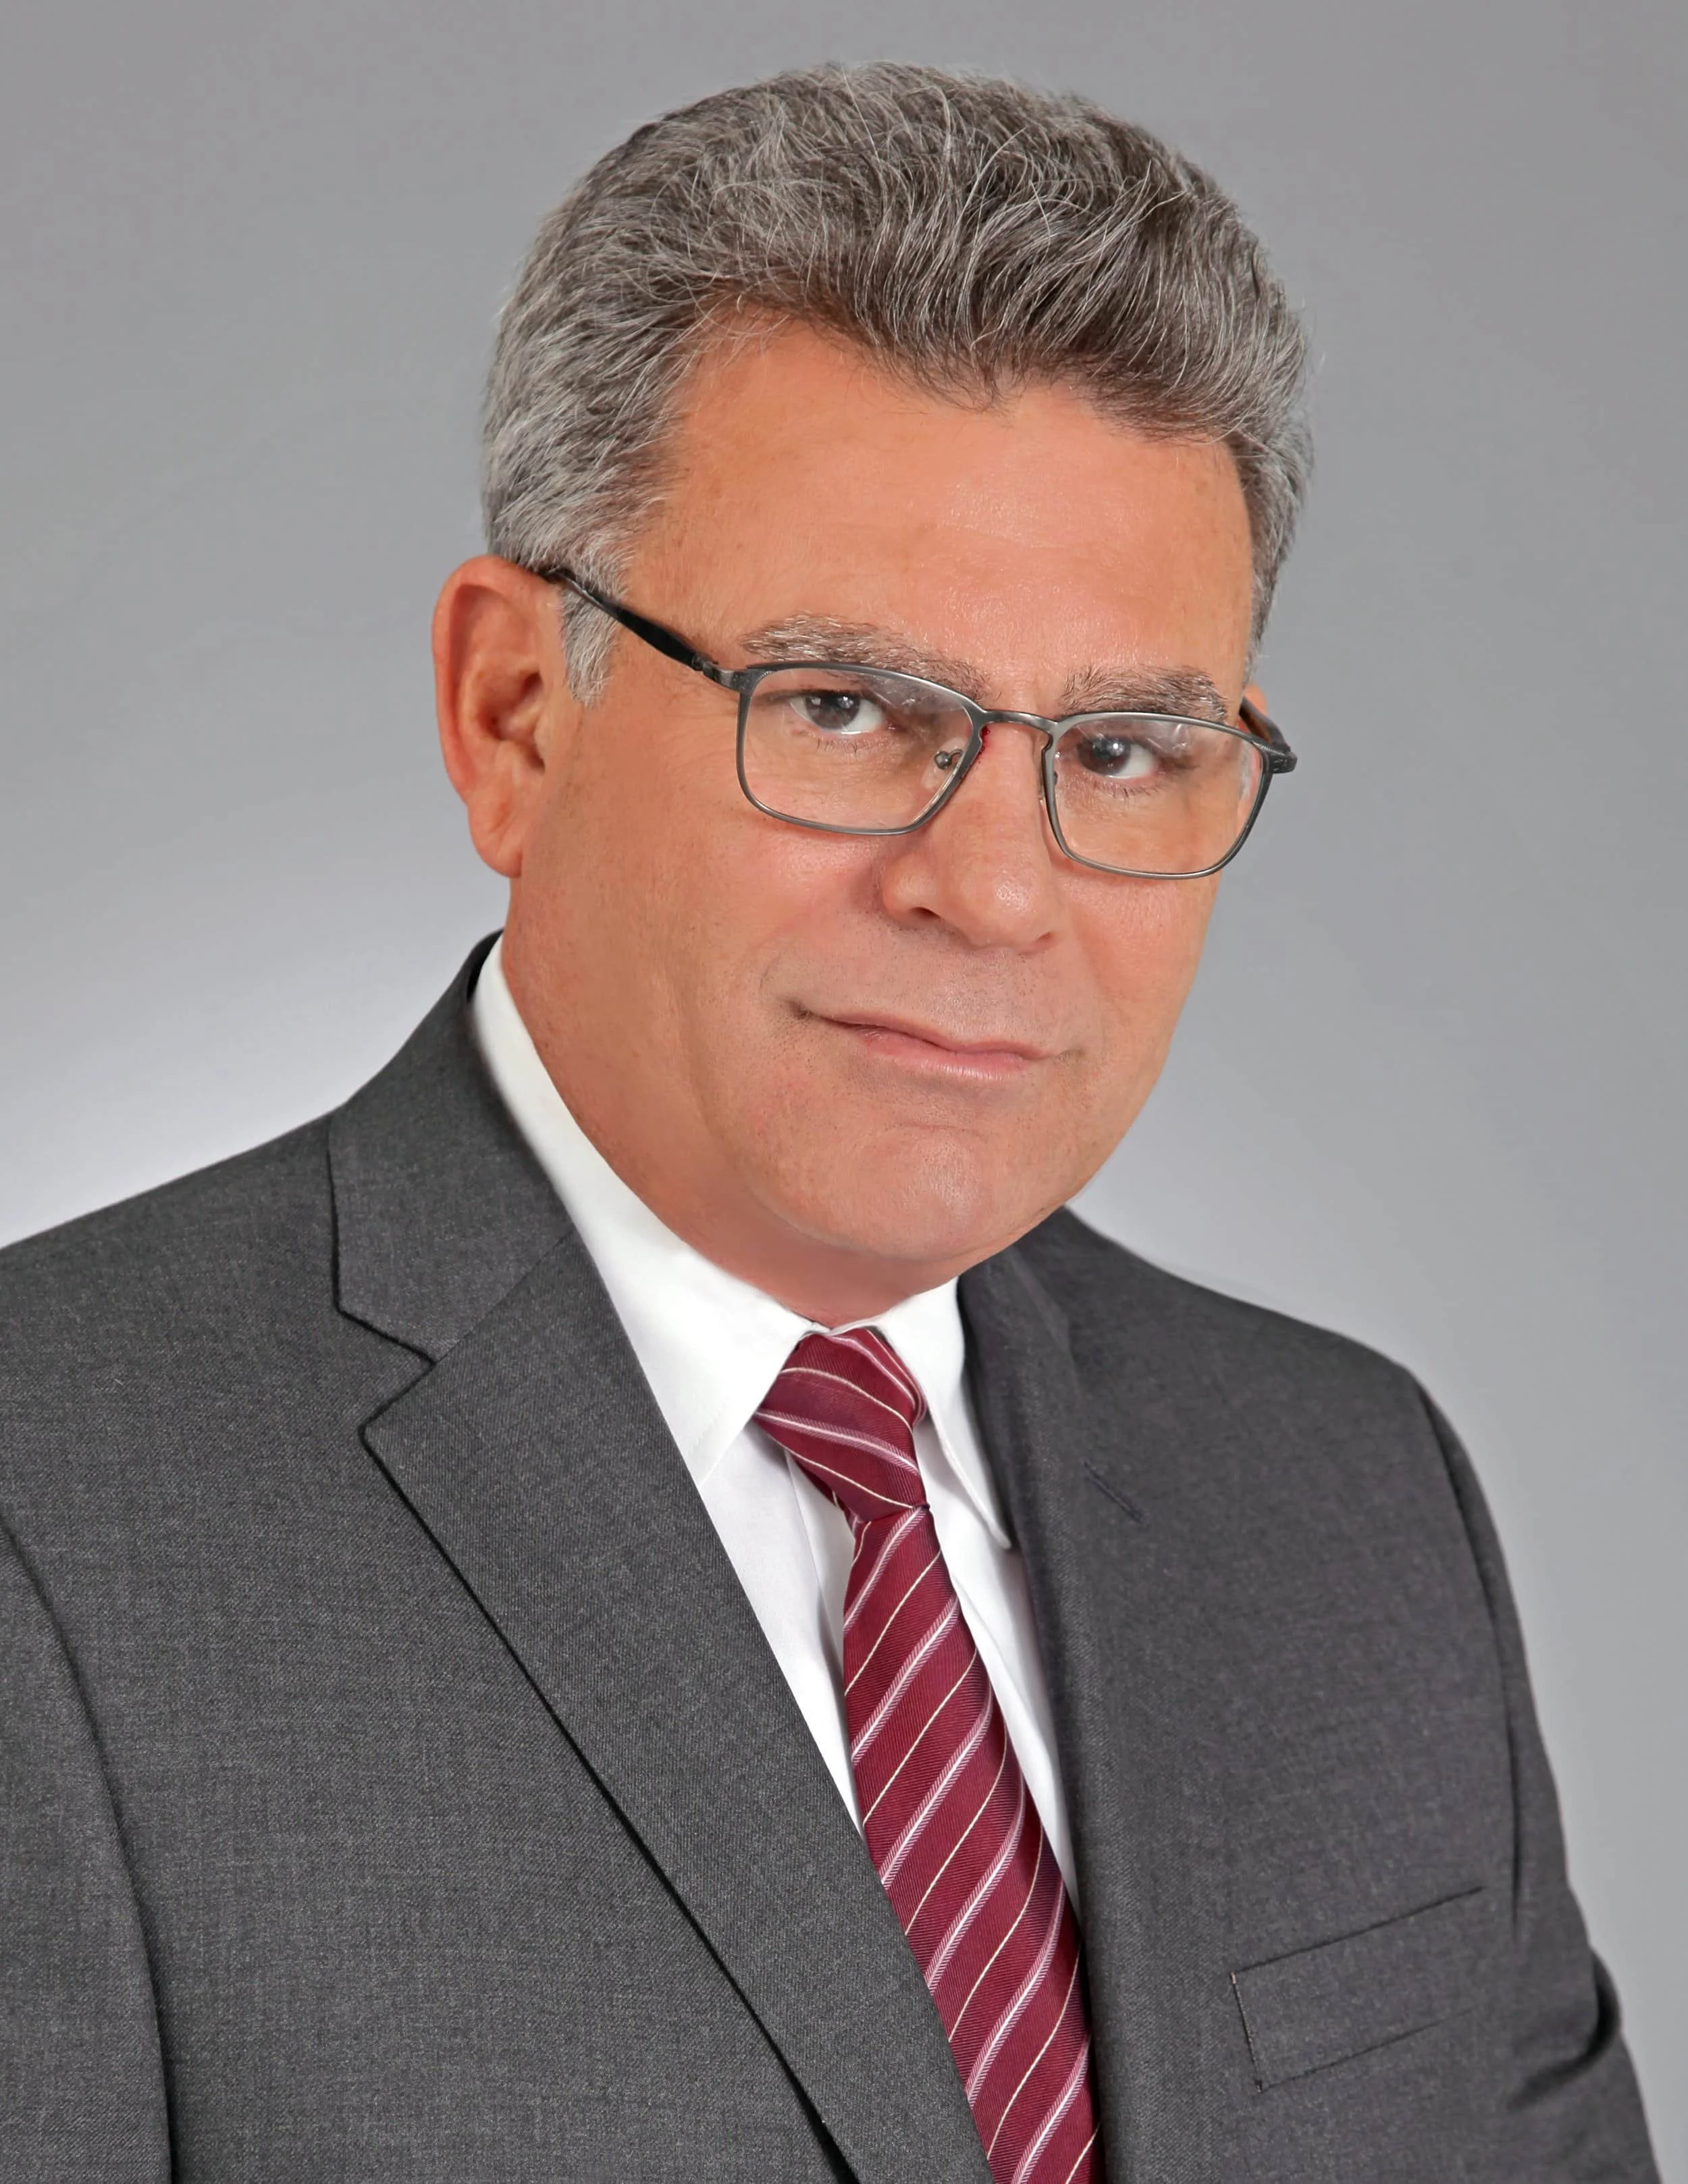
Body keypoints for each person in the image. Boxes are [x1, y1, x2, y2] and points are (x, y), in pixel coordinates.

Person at [0, 60, 1658, 2184]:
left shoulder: (1347, 1497)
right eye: (848, 710)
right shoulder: (48, 1516)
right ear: (514, 715)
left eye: (1131, 747)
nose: (991, 886)